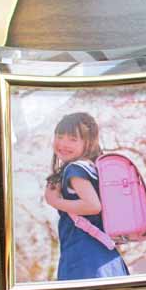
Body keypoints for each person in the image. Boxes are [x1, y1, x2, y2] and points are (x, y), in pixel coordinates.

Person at [44, 112, 129, 280]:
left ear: (88, 143)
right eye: (60, 137)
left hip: (84, 258)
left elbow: (92, 206)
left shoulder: (75, 169)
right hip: (106, 256)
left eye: (73, 139)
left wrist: (54, 201)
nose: (63, 144)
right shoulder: (93, 168)